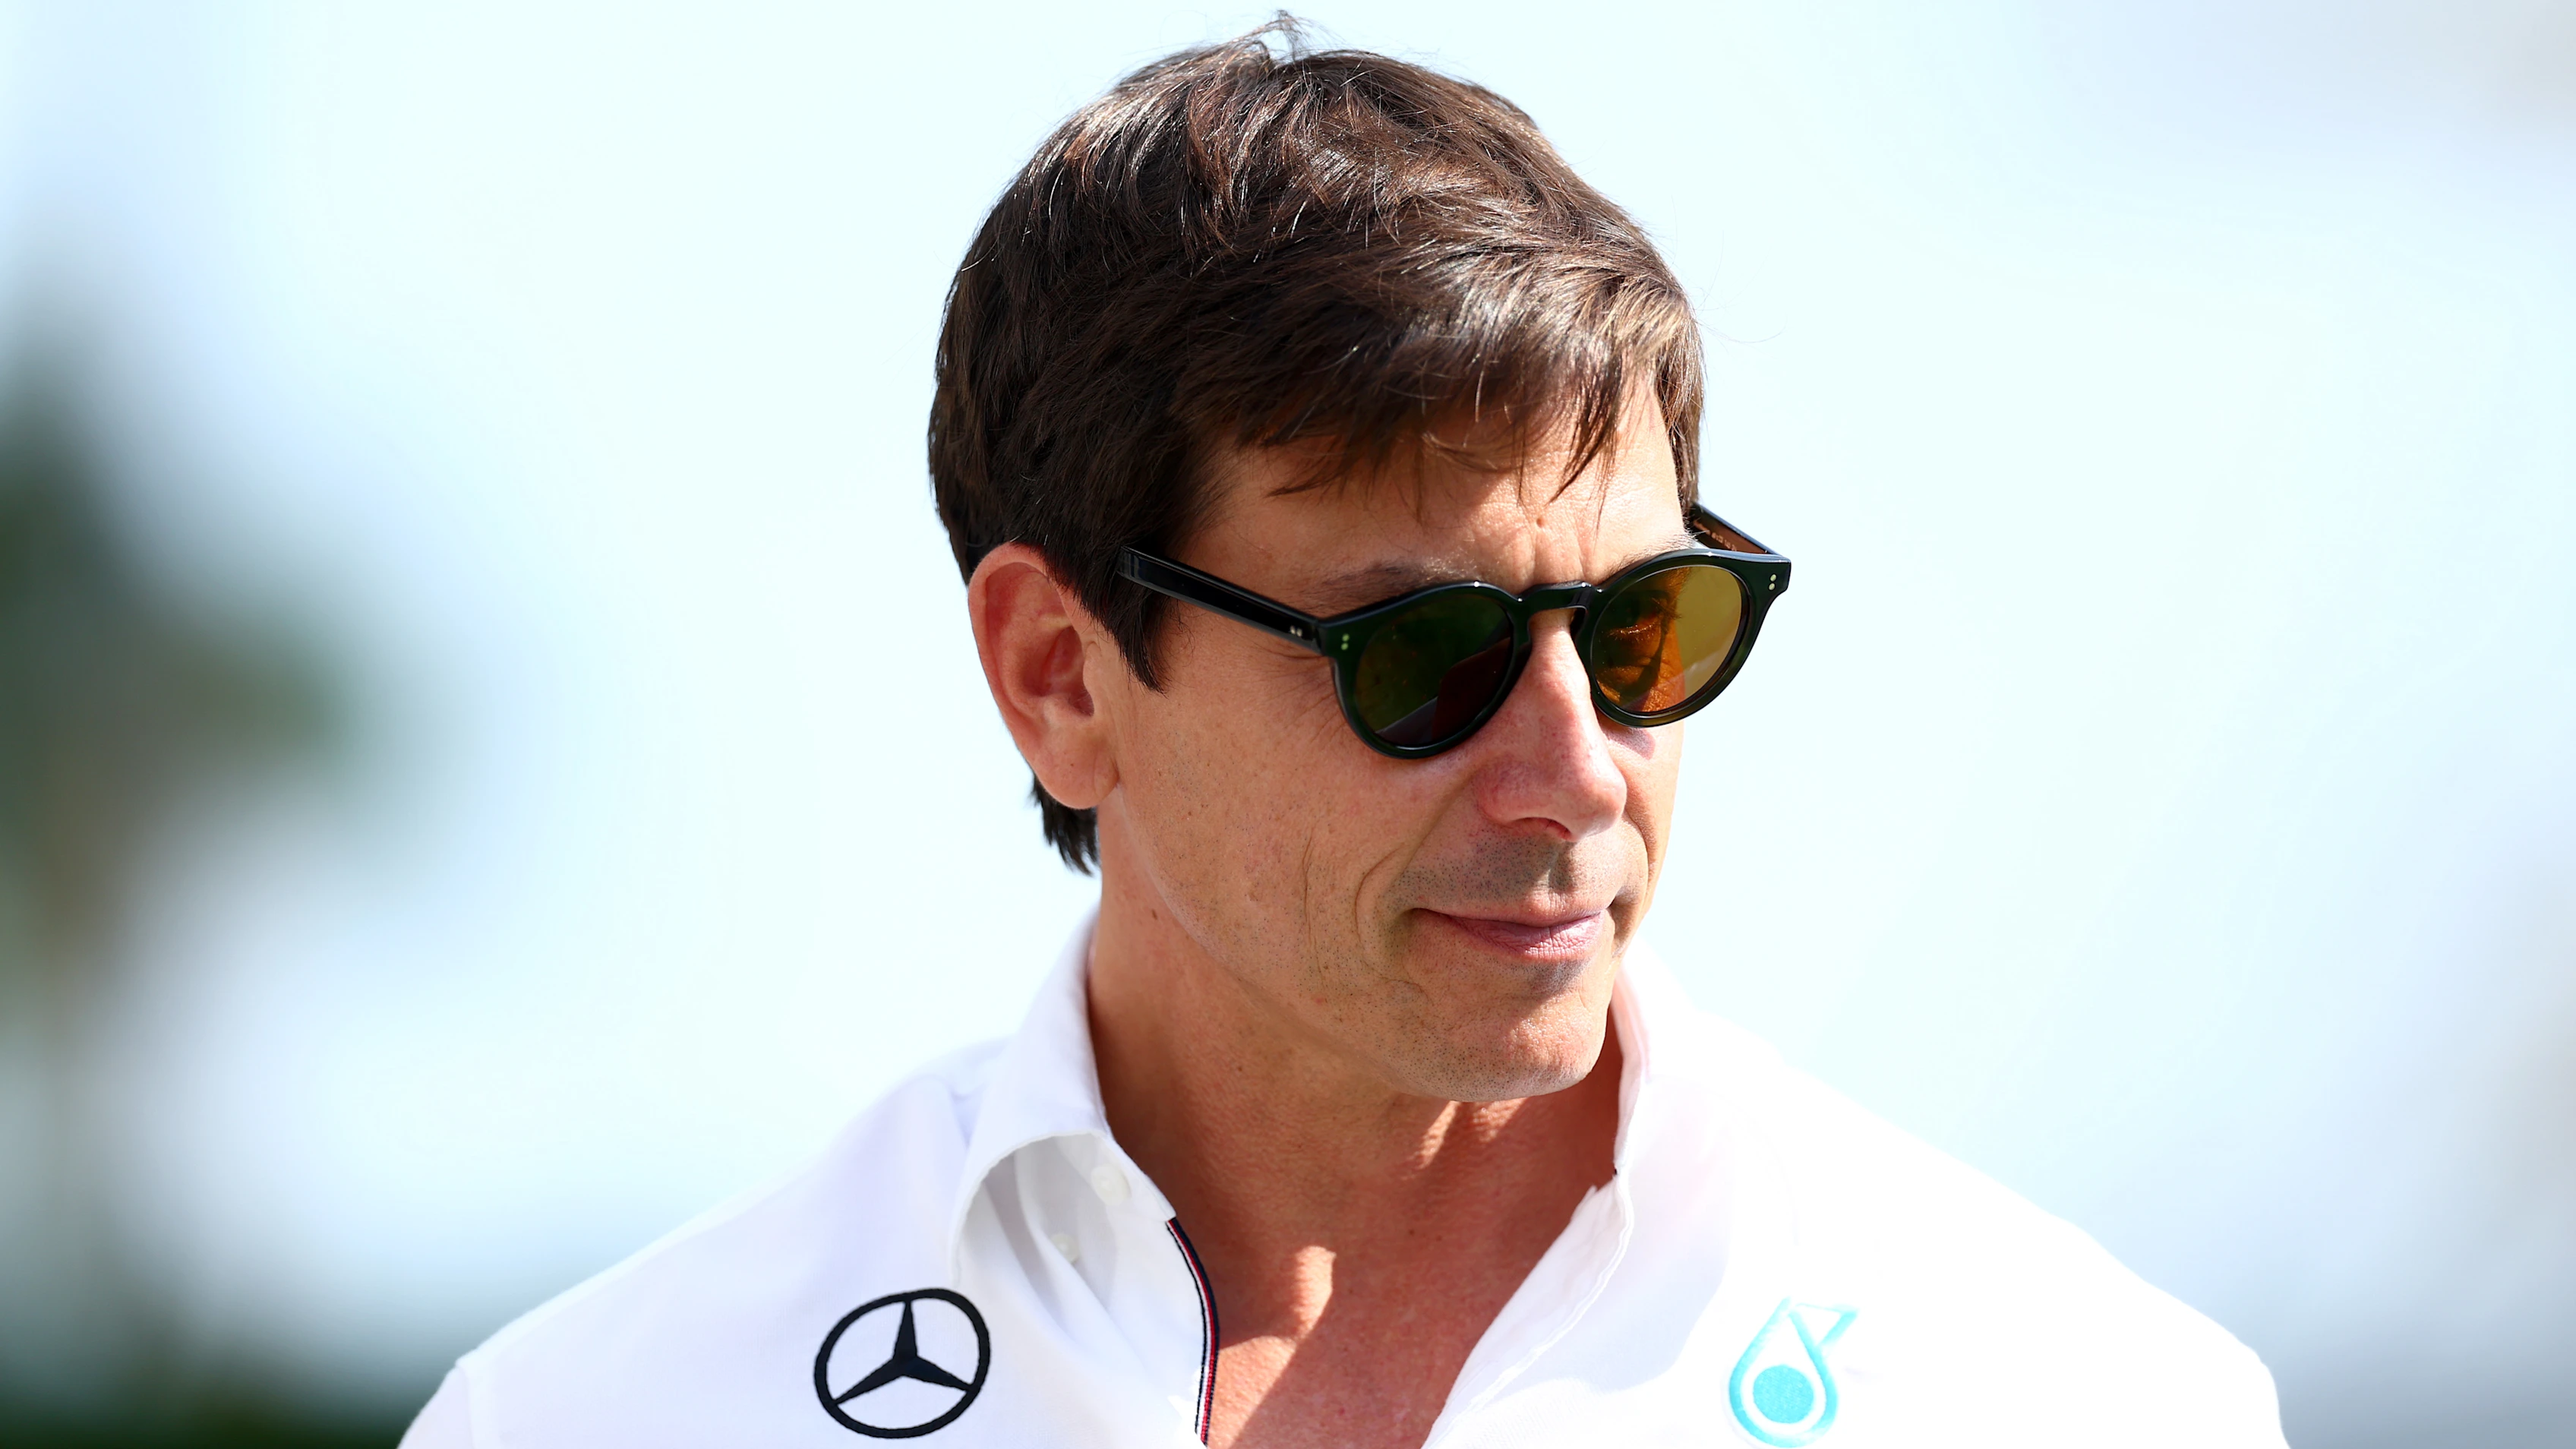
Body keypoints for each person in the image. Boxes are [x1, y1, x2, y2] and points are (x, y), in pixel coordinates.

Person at [399, 24, 2286, 1449]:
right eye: (1427, 652)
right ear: (1060, 672)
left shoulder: (2079, 1395)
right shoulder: (598, 1415)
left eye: (1642, 628)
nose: (1576, 773)